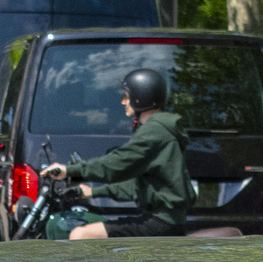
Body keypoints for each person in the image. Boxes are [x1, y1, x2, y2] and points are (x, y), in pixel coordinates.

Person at [37, 67, 191, 239]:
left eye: (126, 96)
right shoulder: (158, 129)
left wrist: (70, 170)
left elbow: (115, 164)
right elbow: (136, 186)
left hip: (161, 222)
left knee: (80, 235)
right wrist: (92, 192)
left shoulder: (155, 131)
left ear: (141, 97)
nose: (122, 102)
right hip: (164, 219)